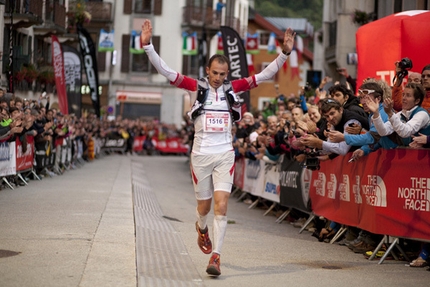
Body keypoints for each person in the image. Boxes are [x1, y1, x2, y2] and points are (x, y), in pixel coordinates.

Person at [140, 18, 295, 276]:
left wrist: (284, 54)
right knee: (204, 208)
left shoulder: (232, 88)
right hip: (201, 156)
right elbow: (167, 71)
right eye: (215, 74)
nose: (219, 78)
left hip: (225, 154)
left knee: (222, 206)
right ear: (207, 70)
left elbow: (264, 75)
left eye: (223, 75)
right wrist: (148, 47)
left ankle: (216, 257)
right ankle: (201, 227)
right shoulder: (195, 87)